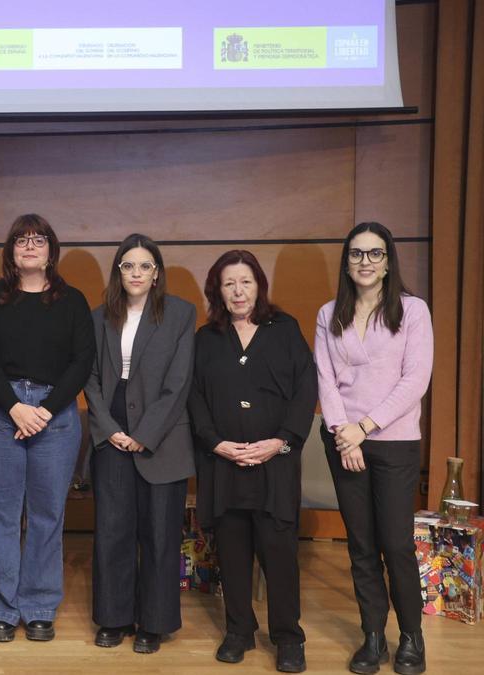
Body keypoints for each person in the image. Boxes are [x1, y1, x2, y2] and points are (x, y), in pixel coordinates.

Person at [0, 214, 96, 643]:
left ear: (51, 250)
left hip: (55, 416)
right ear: (10, 251)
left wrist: (44, 410)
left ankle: (39, 606)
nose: (29, 246)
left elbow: (82, 361)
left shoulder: (72, 301)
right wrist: (15, 407)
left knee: (47, 514)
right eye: (21, 240)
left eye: (38, 239)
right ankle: (1, 609)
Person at [188, 250, 315, 673]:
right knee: (232, 550)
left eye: (246, 282)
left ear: (259, 285)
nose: (238, 291)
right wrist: (215, 443)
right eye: (229, 283)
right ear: (218, 291)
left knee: (279, 552)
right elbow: (194, 398)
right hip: (223, 463)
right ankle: (239, 630)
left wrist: (280, 442)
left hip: (274, 462)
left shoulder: (285, 329)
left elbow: (306, 390)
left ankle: (288, 637)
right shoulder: (206, 339)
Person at [315, 222, 433, 675]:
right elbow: (325, 379)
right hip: (343, 441)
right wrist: (342, 432)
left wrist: (363, 427)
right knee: (361, 545)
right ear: (346, 262)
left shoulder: (412, 310)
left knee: (396, 544)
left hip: (394, 441)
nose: (365, 261)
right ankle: (373, 637)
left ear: (387, 263)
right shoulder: (330, 313)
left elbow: (415, 380)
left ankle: (411, 637)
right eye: (357, 253)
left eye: (375, 253)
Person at [82, 234, 195, 654]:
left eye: (144, 266)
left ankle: (154, 622)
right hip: (110, 427)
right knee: (113, 529)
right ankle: (113, 618)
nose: (136, 273)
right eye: (128, 265)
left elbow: (179, 383)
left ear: (156, 273)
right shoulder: (98, 317)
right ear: (118, 272)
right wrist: (109, 428)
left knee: (160, 533)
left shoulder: (180, 313)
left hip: (161, 433)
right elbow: (90, 378)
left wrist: (144, 434)